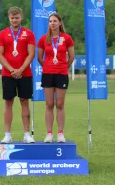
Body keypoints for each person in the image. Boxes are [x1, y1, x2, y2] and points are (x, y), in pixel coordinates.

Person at [0, 6, 36, 143]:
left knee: (25, 102)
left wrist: (20, 70)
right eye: (12, 18)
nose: (14, 20)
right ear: (9, 18)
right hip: (8, 74)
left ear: (21, 17)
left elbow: (31, 54)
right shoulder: (2, 34)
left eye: (17, 17)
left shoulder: (29, 34)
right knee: (8, 102)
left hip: (25, 74)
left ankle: (26, 134)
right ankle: (7, 134)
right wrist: (12, 70)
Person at [38, 13, 74, 143]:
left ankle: (60, 133)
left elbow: (71, 57)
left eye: (54, 21)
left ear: (59, 23)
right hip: (48, 74)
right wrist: (48, 67)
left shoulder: (67, 38)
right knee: (49, 104)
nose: (52, 23)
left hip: (61, 74)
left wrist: (63, 67)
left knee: (60, 104)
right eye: (50, 21)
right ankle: (49, 133)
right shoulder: (43, 39)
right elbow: (39, 58)